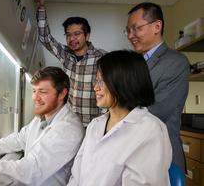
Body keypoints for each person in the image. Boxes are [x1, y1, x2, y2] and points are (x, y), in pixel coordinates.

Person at [67, 50, 172, 186]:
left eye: (102, 81)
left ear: (123, 82)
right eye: (96, 80)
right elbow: (76, 175)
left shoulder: (150, 130)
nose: (95, 87)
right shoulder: (95, 125)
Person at [125, 2, 190, 172]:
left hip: (161, 156)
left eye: (136, 28)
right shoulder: (133, 63)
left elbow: (155, 112)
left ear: (157, 26)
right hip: (132, 156)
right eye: (128, 30)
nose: (131, 36)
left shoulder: (176, 62)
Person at [35, 0, 107, 126]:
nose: (72, 38)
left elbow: (109, 89)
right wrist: (41, 7)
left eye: (77, 34)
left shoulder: (102, 57)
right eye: (68, 35)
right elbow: (45, 38)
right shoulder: (65, 54)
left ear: (87, 35)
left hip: (93, 123)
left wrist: (104, 122)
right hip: (70, 123)